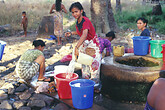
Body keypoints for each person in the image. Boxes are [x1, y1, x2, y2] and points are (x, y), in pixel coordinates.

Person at [65, 2, 102, 92]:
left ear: (81, 11)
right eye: (73, 12)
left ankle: (95, 88)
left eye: (76, 11)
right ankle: (86, 86)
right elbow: (80, 32)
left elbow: (85, 34)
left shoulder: (85, 20)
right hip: (85, 45)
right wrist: (72, 33)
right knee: (84, 65)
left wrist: (76, 47)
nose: (74, 14)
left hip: (92, 45)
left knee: (94, 66)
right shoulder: (78, 22)